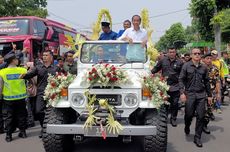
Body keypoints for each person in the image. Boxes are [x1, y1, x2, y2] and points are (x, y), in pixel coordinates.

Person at [20, 50, 60, 138]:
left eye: (46, 55)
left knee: (53, 112)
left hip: (52, 94)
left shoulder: (56, 68)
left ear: (51, 57)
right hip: (41, 93)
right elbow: (29, 74)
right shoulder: (38, 67)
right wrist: (24, 75)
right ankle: (44, 128)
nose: (44, 57)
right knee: (39, 111)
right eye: (43, 55)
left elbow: (60, 79)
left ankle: (51, 129)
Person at [179, 48, 212, 148]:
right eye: (195, 53)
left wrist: (209, 95)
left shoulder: (204, 67)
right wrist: (182, 93)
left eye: (199, 53)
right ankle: (187, 125)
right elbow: (181, 79)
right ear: (192, 55)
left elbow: (206, 82)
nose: (197, 55)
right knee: (189, 114)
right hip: (190, 94)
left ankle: (197, 137)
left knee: (201, 116)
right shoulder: (186, 66)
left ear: (201, 55)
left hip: (201, 95)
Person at [151, 47, 183, 127]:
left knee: (175, 104)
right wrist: (149, 73)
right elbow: (156, 68)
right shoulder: (162, 60)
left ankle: (173, 118)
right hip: (164, 86)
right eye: (170, 52)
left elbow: (183, 74)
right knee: (165, 104)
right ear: (168, 53)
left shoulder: (180, 62)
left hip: (176, 86)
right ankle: (163, 118)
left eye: (173, 52)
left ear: (175, 53)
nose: (172, 53)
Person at [0, 54, 28, 142]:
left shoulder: (2, 72)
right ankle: (23, 132)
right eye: (17, 59)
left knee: (8, 117)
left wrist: (0, 96)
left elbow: (0, 86)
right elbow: (31, 81)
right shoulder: (23, 70)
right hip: (21, 97)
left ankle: (9, 135)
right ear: (13, 60)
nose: (18, 60)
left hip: (8, 98)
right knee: (21, 115)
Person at [202, 53, 221, 134]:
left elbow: (217, 81)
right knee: (202, 110)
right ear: (203, 59)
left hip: (211, 92)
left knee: (210, 108)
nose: (209, 60)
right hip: (201, 92)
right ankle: (202, 125)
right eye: (207, 58)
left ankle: (204, 124)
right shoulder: (200, 68)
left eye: (210, 58)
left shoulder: (215, 69)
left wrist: (218, 93)